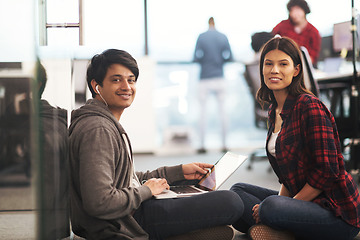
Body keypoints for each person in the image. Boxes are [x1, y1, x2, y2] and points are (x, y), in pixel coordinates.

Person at [68, 49, 243, 240]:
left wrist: (178, 172)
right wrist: (147, 191)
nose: (127, 86)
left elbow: (126, 180)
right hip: (126, 222)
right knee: (231, 201)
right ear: (97, 86)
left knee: (212, 198)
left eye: (131, 79)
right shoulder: (98, 129)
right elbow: (99, 202)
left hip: (129, 213)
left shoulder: (102, 122)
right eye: (116, 79)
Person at [230, 36, 360, 240]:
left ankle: (278, 228)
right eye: (268, 64)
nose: (274, 70)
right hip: (302, 204)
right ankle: (279, 229)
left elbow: (327, 172)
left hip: (335, 212)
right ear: (261, 68)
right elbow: (287, 174)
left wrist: (282, 208)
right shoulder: (275, 110)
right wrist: (283, 208)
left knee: (270, 207)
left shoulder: (309, 106)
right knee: (237, 194)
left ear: (296, 70)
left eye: (283, 64)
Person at [193, 17, 233, 153]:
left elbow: (196, 57)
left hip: (204, 77)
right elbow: (230, 56)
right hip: (219, 77)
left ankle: (202, 145)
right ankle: (224, 144)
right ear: (215, 23)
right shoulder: (222, 37)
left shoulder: (202, 37)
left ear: (207, 23)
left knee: (202, 112)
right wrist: (219, 60)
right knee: (222, 112)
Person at [272, 0, 321, 67]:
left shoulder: (313, 32)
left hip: (303, 67)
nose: (294, 13)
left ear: (304, 10)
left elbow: (313, 57)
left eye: (297, 10)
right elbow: (270, 39)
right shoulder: (283, 26)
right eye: (291, 11)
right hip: (282, 65)